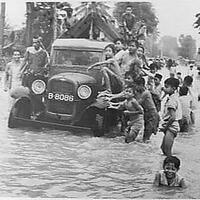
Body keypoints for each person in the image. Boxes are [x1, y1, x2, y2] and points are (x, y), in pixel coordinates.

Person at [160, 78, 182, 156]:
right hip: (171, 125)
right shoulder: (173, 97)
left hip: (171, 126)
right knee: (163, 148)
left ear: (173, 88)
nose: (164, 89)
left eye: (166, 87)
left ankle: (171, 164)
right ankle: (165, 164)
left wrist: (165, 127)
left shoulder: (172, 100)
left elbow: (172, 117)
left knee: (167, 150)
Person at [134, 77, 159, 142]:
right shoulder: (140, 92)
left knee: (147, 136)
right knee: (146, 133)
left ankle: (149, 149)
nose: (135, 87)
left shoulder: (146, 93)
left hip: (152, 114)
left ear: (142, 85)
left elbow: (137, 103)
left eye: (137, 85)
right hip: (147, 113)